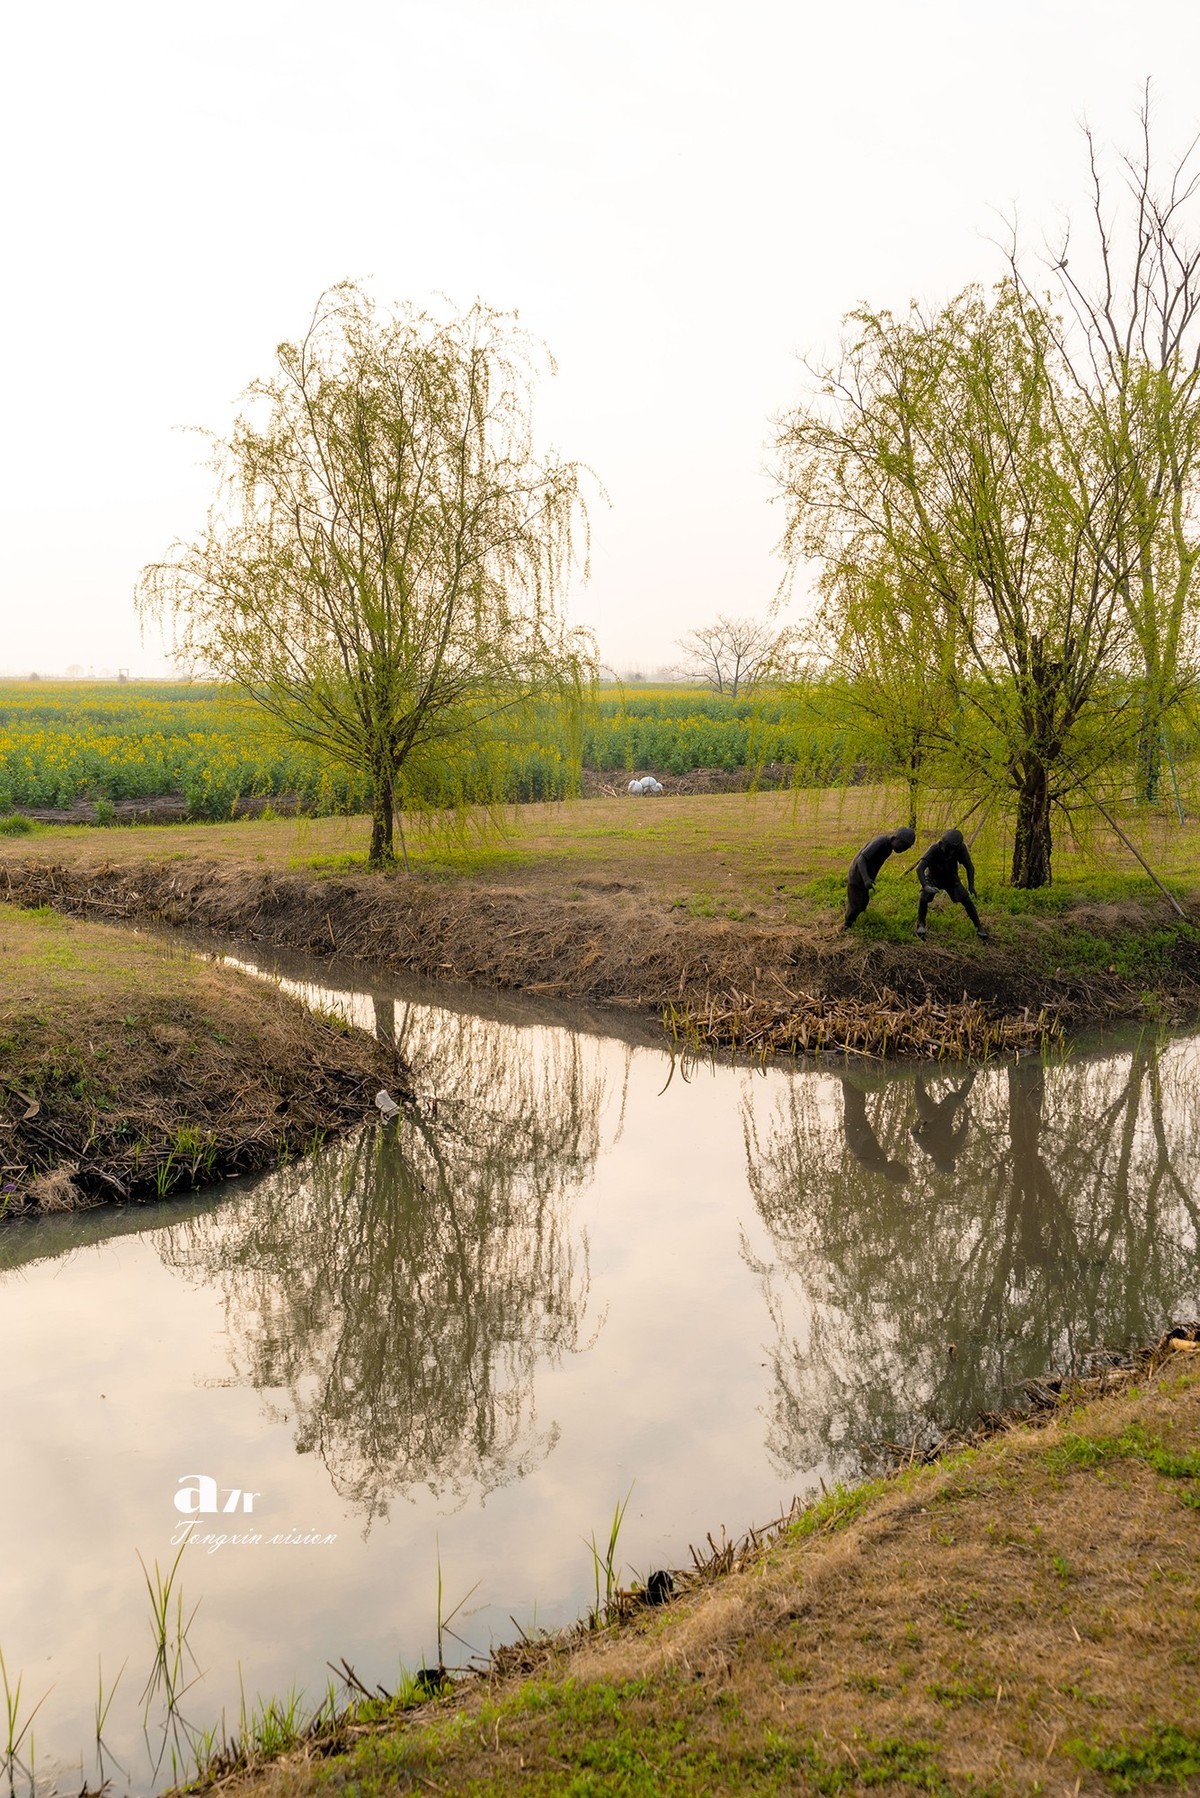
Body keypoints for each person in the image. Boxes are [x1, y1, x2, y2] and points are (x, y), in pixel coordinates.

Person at [915, 827, 989, 941]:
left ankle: (979, 926)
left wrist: (971, 885)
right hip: (933, 878)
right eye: (948, 849)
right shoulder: (934, 849)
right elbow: (920, 868)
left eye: (954, 850)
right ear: (941, 844)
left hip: (951, 878)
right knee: (923, 898)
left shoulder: (961, 849)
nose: (951, 853)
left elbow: (969, 866)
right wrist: (925, 885)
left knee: (966, 899)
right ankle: (921, 924)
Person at [842, 826, 916, 928]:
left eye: (906, 848)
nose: (903, 849)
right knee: (856, 904)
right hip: (857, 876)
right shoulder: (880, 842)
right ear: (895, 838)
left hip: (865, 878)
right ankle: (846, 925)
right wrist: (866, 879)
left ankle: (858, 922)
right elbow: (861, 859)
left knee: (863, 902)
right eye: (903, 845)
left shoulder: (888, 847)